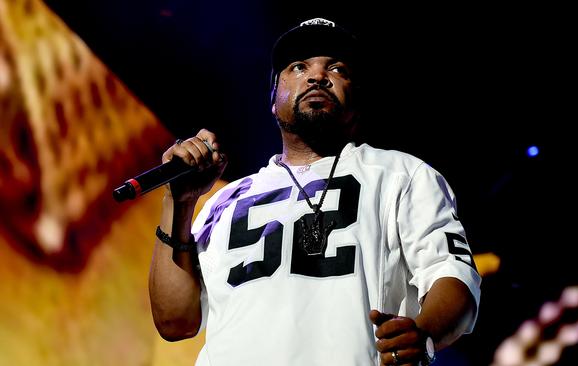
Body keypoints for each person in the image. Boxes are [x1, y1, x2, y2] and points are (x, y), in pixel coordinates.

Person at [148, 17, 481, 365]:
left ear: (356, 97)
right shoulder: (226, 200)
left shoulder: (402, 174)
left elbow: (453, 277)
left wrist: (424, 334)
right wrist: (179, 201)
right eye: (298, 66)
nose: (318, 76)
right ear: (273, 98)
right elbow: (175, 322)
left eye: (336, 68)